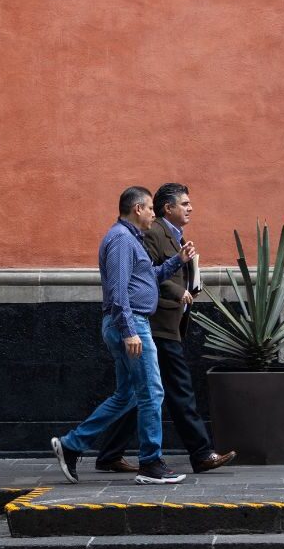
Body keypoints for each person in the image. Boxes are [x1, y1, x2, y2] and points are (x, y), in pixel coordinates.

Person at [50, 186, 195, 485]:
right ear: (137, 209)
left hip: (130, 324)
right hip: (131, 325)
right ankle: (151, 464)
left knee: (127, 395)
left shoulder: (132, 240)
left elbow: (146, 278)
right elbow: (117, 292)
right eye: (150, 209)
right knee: (153, 392)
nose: (154, 214)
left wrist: (176, 261)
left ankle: (71, 444)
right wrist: (130, 332)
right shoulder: (120, 240)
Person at [96, 183, 237, 474]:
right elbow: (140, 277)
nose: (190, 208)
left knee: (141, 392)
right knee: (175, 389)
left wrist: (184, 269)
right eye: (184, 203)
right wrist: (174, 291)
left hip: (163, 323)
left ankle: (109, 453)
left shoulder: (172, 235)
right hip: (152, 324)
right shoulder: (148, 233)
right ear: (166, 208)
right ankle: (199, 453)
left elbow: (153, 271)